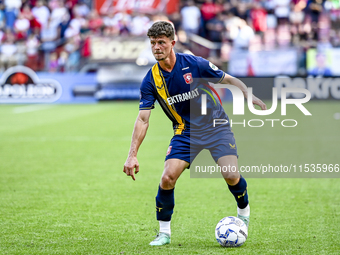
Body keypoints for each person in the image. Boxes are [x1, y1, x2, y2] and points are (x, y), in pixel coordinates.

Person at [123, 21, 267, 246]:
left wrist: (247, 94)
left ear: (172, 43)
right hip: (185, 132)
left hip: (216, 126)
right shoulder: (150, 80)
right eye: (153, 43)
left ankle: (244, 213)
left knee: (231, 175)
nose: (156, 48)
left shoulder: (194, 64)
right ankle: (164, 233)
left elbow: (227, 78)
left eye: (161, 42)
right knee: (167, 177)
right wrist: (132, 154)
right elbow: (143, 119)